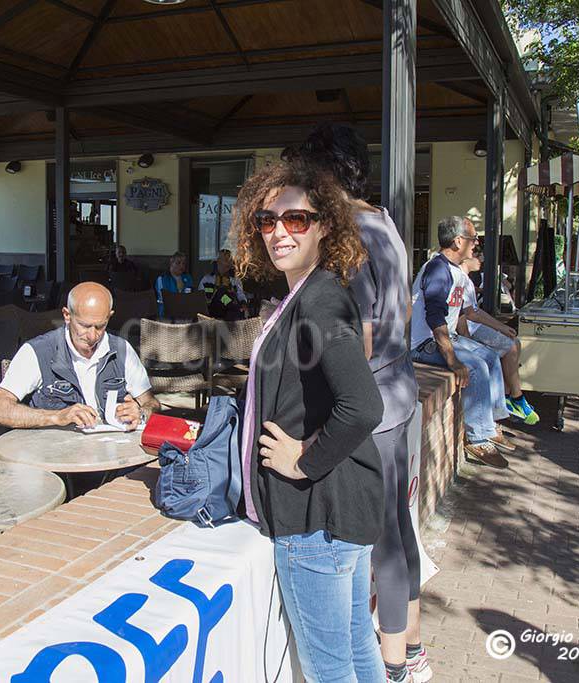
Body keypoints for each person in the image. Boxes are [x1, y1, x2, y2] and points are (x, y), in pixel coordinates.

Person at [232, 159, 385, 683]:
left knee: (327, 669)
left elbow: (363, 405)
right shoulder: (311, 292)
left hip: (317, 516)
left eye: (296, 219)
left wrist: (303, 461)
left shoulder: (318, 300)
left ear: (324, 225)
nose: (279, 232)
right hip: (340, 510)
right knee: (357, 644)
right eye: (267, 221)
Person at [300, 122, 429, 683]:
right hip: (401, 393)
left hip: (372, 404)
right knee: (400, 526)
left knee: (378, 538)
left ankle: (395, 664)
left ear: (328, 174)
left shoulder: (351, 234)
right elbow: (397, 318)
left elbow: (368, 330)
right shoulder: (386, 224)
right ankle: (414, 646)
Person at [411, 216, 513, 468]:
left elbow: (469, 312)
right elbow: (434, 318)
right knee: (475, 366)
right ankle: (477, 438)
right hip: (424, 343)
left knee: (489, 356)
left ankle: (490, 424)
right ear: (458, 241)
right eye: (472, 238)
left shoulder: (456, 271)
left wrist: (502, 328)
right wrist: (453, 360)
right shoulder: (437, 269)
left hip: (448, 337)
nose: (476, 242)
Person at [0, 282, 161, 430]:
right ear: (67, 316)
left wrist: (141, 412)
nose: (92, 336)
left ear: (110, 316)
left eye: (100, 326)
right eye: (84, 326)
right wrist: (56, 417)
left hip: (113, 455)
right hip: (56, 457)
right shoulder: (37, 352)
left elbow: (152, 403)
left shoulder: (122, 349)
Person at [458, 254, 539, 425]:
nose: (480, 258)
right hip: (469, 330)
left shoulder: (467, 279)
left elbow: (474, 311)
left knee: (515, 342)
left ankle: (508, 396)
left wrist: (500, 327)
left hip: (474, 326)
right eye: (475, 253)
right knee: (509, 348)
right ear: (464, 257)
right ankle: (517, 398)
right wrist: (467, 343)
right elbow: (466, 317)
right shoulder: (458, 278)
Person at [198, 249, 247, 320]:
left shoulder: (235, 280)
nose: (229, 262)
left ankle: (236, 311)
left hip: (230, 310)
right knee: (221, 292)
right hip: (212, 309)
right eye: (226, 259)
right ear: (218, 261)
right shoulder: (207, 279)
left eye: (230, 260)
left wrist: (243, 302)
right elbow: (200, 297)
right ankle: (236, 310)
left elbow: (240, 294)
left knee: (229, 300)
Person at [153, 251, 193, 317]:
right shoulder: (162, 279)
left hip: (185, 315)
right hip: (166, 315)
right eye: (178, 263)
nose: (181, 266)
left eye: (183, 263)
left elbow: (191, 296)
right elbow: (164, 298)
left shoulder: (188, 278)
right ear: (171, 262)